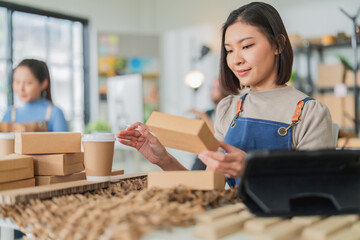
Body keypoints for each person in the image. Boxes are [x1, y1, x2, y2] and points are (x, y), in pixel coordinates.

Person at [117, 2, 333, 187]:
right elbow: (207, 186)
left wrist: (255, 170)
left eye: (247, 46)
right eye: (229, 50)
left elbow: (318, 190)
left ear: (278, 44)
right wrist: (163, 159)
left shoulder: (310, 112)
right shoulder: (229, 108)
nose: (236, 59)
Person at [2, 59, 68, 132]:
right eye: (17, 82)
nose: (21, 88)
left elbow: (65, 143)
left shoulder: (54, 113)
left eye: (28, 83)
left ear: (43, 84)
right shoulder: (10, 113)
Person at [190, 77, 228, 170]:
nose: (212, 91)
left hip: (220, 156)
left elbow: (218, 137)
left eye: (216, 88)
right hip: (203, 155)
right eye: (211, 88)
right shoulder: (207, 113)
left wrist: (204, 117)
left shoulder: (229, 113)